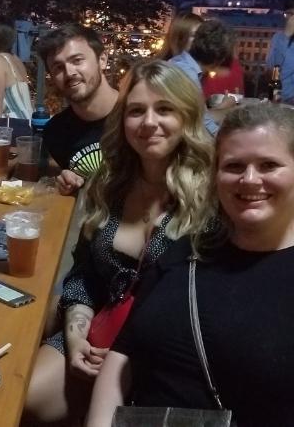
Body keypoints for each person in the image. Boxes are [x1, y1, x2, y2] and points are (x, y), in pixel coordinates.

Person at [24, 60, 213, 425]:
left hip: (164, 358)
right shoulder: (109, 184)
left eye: (165, 109)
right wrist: (76, 337)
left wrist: (126, 354)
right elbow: (85, 274)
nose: (149, 123)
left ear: (188, 116)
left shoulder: (211, 196)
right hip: (95, 337)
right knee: (24, 397)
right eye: (136, 111)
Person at [88, 102, 294, 427]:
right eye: (234, 166)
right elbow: (123, 351)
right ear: (216, 175)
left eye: (269, 165)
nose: (250, 179)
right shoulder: (188, 250)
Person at [37, 24, 119, 196]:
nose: (69, 72)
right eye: (58, 67)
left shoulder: (137, 116)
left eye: (77, 60)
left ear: (102, 60)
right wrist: (67, 180)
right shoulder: (56, 132)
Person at [267, 0, 294, 104]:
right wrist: (286, 37)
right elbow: (272, 69)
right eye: (290, 14)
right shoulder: (278, 38)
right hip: (281, 102)